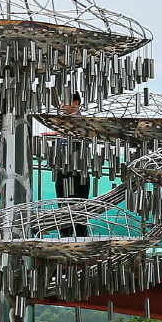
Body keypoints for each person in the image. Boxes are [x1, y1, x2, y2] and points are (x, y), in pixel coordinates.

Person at [49, 91, 90, 233]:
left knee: (79, 208)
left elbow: (80, 133)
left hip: (78, 170)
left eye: (65, 102)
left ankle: (81, 241)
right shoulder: (62, 123)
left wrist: (59, 133)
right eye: (62, 102)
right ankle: (64, 239)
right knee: (63, 208)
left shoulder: (84, 121)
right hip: (62, 169)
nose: (62, 106)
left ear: (76, 103)